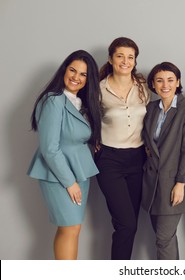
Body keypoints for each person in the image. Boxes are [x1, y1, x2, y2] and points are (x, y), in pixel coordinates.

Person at [27, 50, 102, 259]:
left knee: (73, 228)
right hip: (60, 175)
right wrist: (69, 182)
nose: (76, 77)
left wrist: (91, 142)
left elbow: (73, 135)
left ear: (89, 80)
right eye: (72, 70)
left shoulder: (80, 103)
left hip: (79, 172)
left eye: (83, 74)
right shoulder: (54, 100)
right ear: (64, 70)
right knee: (69, 228)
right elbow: (50, 148)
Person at [95, 37, 150, 259]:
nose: (125, 61)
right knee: (126, 224)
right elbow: (87, 118)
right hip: (110, 160)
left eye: (130, 57)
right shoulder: (99, 88)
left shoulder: (143, 86)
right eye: (120, 56)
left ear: (135, 60)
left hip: (137, 159)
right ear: (111, 59)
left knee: (129, 224)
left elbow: (152, 117)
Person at [142, 62, 185, 259]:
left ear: (178, 82)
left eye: (170, 80)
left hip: (172, 183)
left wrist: (181, 183)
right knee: (165, 238)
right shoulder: (150, 109)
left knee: (163, 238)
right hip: (151, 184)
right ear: (153, 84)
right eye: (159, 80)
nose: (164, 85)